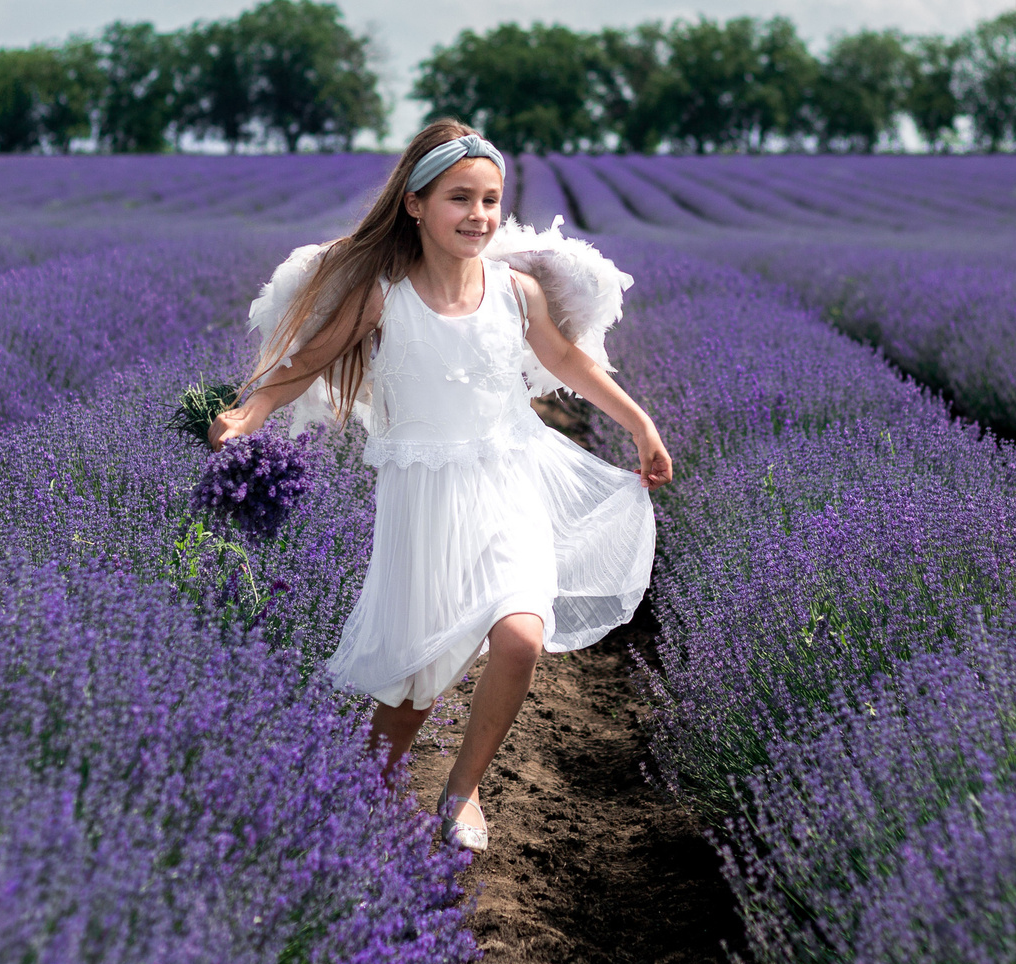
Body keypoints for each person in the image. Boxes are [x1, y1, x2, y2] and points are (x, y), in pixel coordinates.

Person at [209, 120, 671, 849]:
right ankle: (367, 792)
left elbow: (570, 361)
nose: (479, 215)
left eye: (490, 199)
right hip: (424, 499)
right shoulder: (383, 295)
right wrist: (252, 411)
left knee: (520, 636)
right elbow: (310, 359)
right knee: (413, 683)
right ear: (416, 204)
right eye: (460, 198)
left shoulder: (515, 292)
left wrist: (640, 423)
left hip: (512, 480)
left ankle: (461, 791)